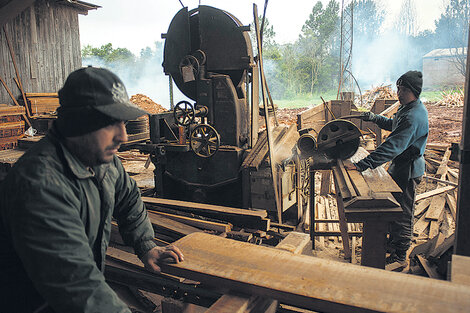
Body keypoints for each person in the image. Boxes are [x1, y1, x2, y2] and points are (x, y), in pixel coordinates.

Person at [0, 67, 184, 312]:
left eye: (123, 123)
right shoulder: (39, 185)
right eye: (111, 124)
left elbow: (129, 198)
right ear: (78, 124)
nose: (124, 136)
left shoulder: (102, 161)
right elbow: (78, 286)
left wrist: (147, 246)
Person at [347, 70, 428, 269]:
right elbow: (394, 125)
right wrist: (374, 118)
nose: (397, 92)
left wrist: (361, 165)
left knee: (402, 213)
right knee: (394, 208)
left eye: (401, 89)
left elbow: (392, 146)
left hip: (408, 170)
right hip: (399, 166)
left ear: (412, 90)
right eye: (398, 88)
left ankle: (400, 256)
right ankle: (393, 246)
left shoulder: (413, 116)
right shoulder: (408, 109)